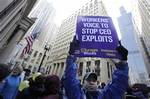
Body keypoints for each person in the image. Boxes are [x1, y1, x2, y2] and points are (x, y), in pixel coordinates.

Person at [63, 36, 129, 99]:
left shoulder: (105, 96)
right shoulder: (76, 95)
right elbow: (70, 80)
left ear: (97, 83)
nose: (91, 82)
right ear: (82, 83)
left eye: (94, 80)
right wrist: (71, 56)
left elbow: (118, 86)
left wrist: (122, 64)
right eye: (88, 80)